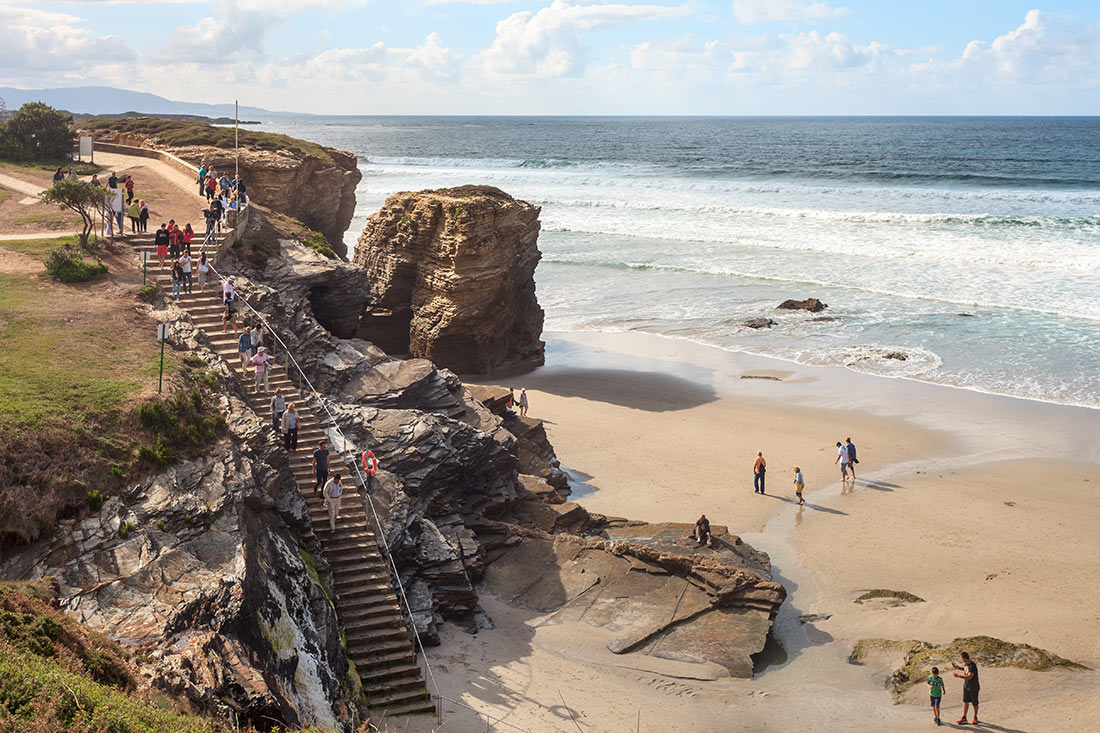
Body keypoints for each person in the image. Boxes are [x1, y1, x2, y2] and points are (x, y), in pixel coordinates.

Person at [952, 651, 980, 725]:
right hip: (966, 686)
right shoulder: (967, 664)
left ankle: (975, 717)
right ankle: (964, 717)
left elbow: (969, 676)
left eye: (961, 658)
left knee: (975, 703)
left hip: (973, 687)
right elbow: (965, 669)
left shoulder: (972, 666)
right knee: (965, 701)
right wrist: (959, 668)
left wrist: (958, 676)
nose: (961, 659)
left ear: (964, 658)